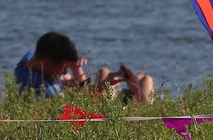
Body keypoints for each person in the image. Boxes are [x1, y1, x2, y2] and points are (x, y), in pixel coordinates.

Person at [14, 31, 154, 103]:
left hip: (96, 98)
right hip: (102, 113)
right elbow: (85, 107)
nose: (64, 71)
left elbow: (77, 89)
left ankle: (133, 85)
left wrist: (75, 66)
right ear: (47, 63)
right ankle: (137, 89)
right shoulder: (43, 89)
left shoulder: (31, 58)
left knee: (106, 72)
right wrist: (102, 85)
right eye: (64, 68)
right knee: (145, 81)